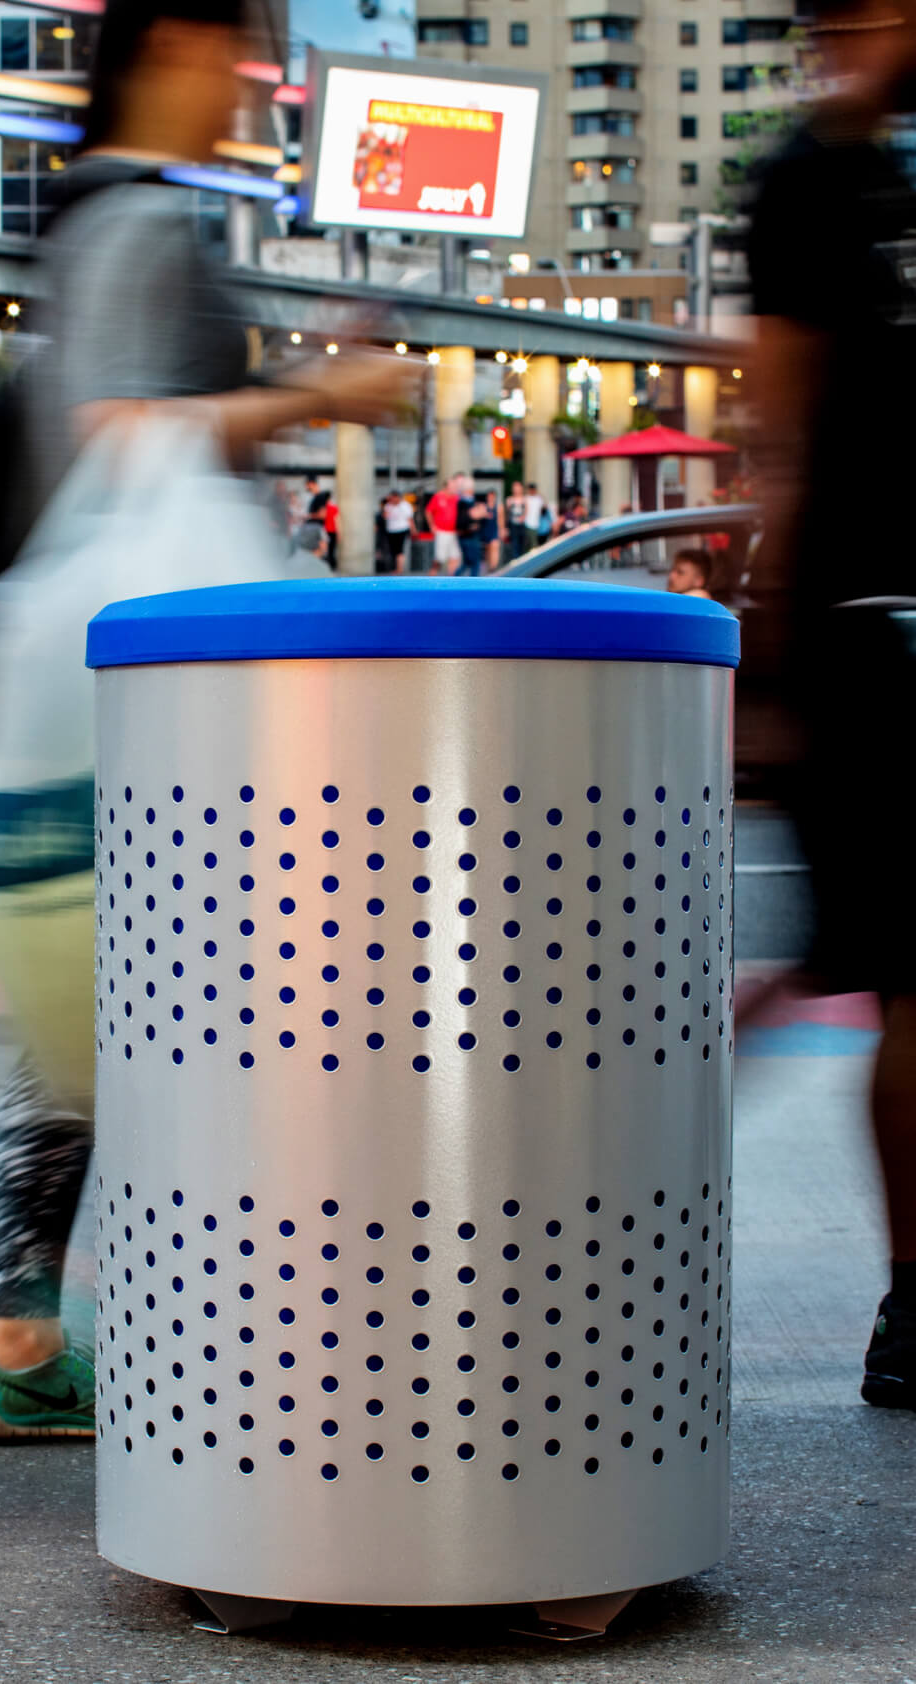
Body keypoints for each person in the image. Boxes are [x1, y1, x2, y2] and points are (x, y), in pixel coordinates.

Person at [0, 0, 411, 1438]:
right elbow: (121, 432)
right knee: (220, 1005)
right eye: (234, 52)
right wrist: (317, 390)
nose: (248, 85)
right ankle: (259, 1361)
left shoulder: (85, 214)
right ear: (171, 47)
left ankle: (27, 1334)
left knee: (106, 997)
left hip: (86, 674)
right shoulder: (139, 225)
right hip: (157, 683)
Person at [747, 0, 916, 1408]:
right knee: (890, 973)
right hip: (868, 630)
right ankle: (913, 1300)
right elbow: (779, 423)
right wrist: (769, 644)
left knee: (857, 965)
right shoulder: (802, 178)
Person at [427, 473, 461, 572]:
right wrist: (432, 526)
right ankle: (431, 581)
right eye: (453, 486)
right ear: (447, 486)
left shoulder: (456, 498)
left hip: (454, 532)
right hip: (442, 532)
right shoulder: (438, 497)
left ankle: (452, 582)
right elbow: (428, 511)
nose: (455, 488)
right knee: (439, 559)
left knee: (454, 557)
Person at [454, 474, 484, 576]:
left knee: (467, 562)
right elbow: (471, 516)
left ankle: (454, 580)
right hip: (469, 537)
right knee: (474, 563)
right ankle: (474, 586)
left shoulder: (462, 502)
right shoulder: (466, 503)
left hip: (466, 536)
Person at [382, 487, 412, 572]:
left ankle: (400, 569)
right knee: (393, 550)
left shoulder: (405, 505)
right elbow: (385, 516)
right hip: (391, 530)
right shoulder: (388, 505)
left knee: (400, 550)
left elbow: (409, 519)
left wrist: (413, 530)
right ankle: (396, 568)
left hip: (402, 529)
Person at [480, 487, 501, 572]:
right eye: (489, 496)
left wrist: (501, 530)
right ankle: (489, 568)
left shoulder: (499, 507)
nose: (491, 498)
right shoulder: (483, 507)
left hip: (494, 530)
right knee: (488, 551)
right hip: (486, 530)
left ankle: (493, 568)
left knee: (494, 548)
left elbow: (500, 520)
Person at [505, 481, 528, 560]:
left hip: (521, 525)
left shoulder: (524, 499)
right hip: (513, 525)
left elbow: (526, 511)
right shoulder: (509, 499)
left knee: (522, 545)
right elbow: (507, 513)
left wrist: (523, 517)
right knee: (514, 544)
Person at [322, 487, 340, 569]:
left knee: (325, 550)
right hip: (332, 531)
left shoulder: (322, 508)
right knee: (331, 550)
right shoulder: (334, 508)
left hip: (324, 531)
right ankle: (331, 566)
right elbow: (337, 521)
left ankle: (327, 565)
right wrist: (338, 533)